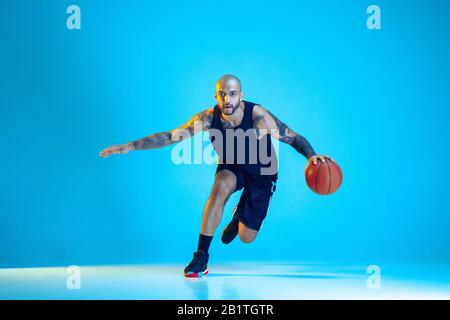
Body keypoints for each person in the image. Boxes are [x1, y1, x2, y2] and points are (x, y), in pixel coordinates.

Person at [99, 74, 331, 277]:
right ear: (215, 96)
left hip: (262, 173)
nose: (227, 100)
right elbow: (170, 137)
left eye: (232, 94)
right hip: (233, 167)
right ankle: (201, 257)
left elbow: (292, 137)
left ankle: (239, 216)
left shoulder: (259, 116)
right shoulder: (209, 118)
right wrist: (130, 145)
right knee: (219, 188)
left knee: (246, 237)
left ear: (241, 95)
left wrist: (311, 156)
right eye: (222, 94)